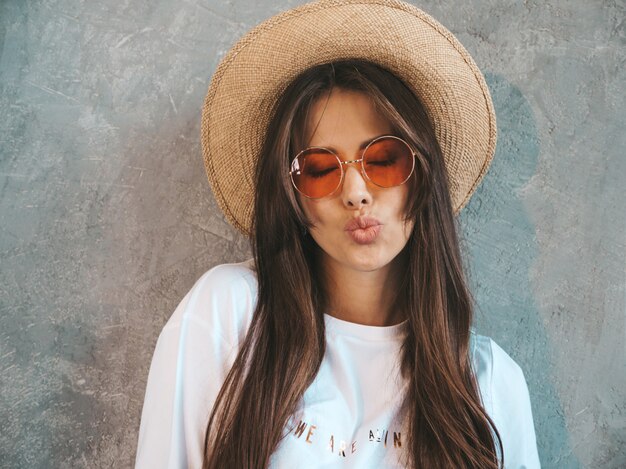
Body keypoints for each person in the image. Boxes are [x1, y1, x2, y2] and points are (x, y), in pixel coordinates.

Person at [135, 1, 540, 468]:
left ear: (423, 173)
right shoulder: (228, 318)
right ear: (291, 194)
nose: (355, 193)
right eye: (320, 169)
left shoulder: (488, 385)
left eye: (385, 159)